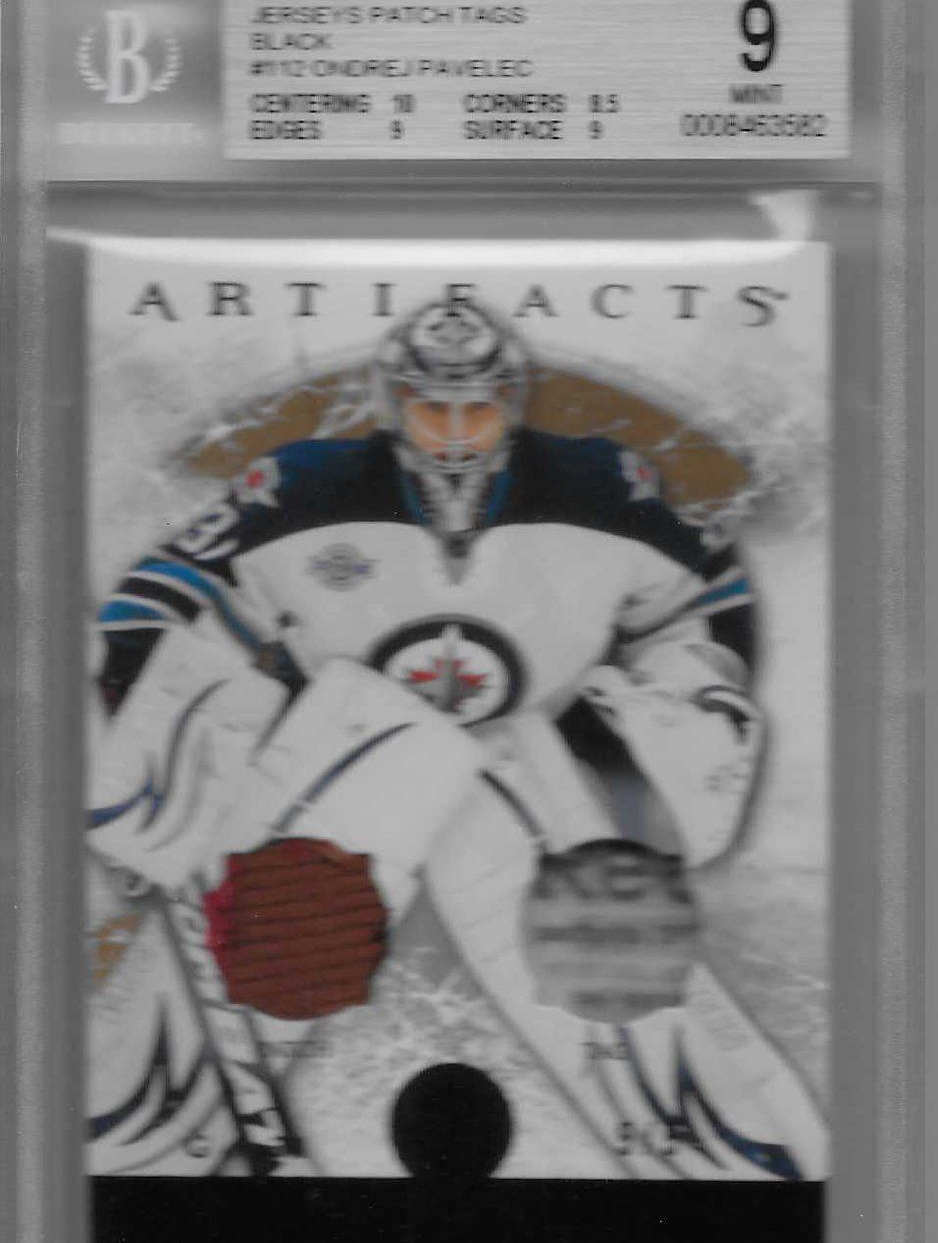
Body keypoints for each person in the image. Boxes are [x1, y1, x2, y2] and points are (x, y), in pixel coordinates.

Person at [89, 296, 822, 1180]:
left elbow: (705, 594)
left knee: (608, 972)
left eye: (477, 408)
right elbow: (153, 604)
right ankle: (156, 1161)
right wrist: (167, 771)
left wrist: (681, 714)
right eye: (434, 408)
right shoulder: (300, 487)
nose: (456, 432)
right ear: (394, 403)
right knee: (271, 951)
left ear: (511, 402)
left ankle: (732, 1177)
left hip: (529, 768)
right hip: (345, 760)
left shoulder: (603, 485)